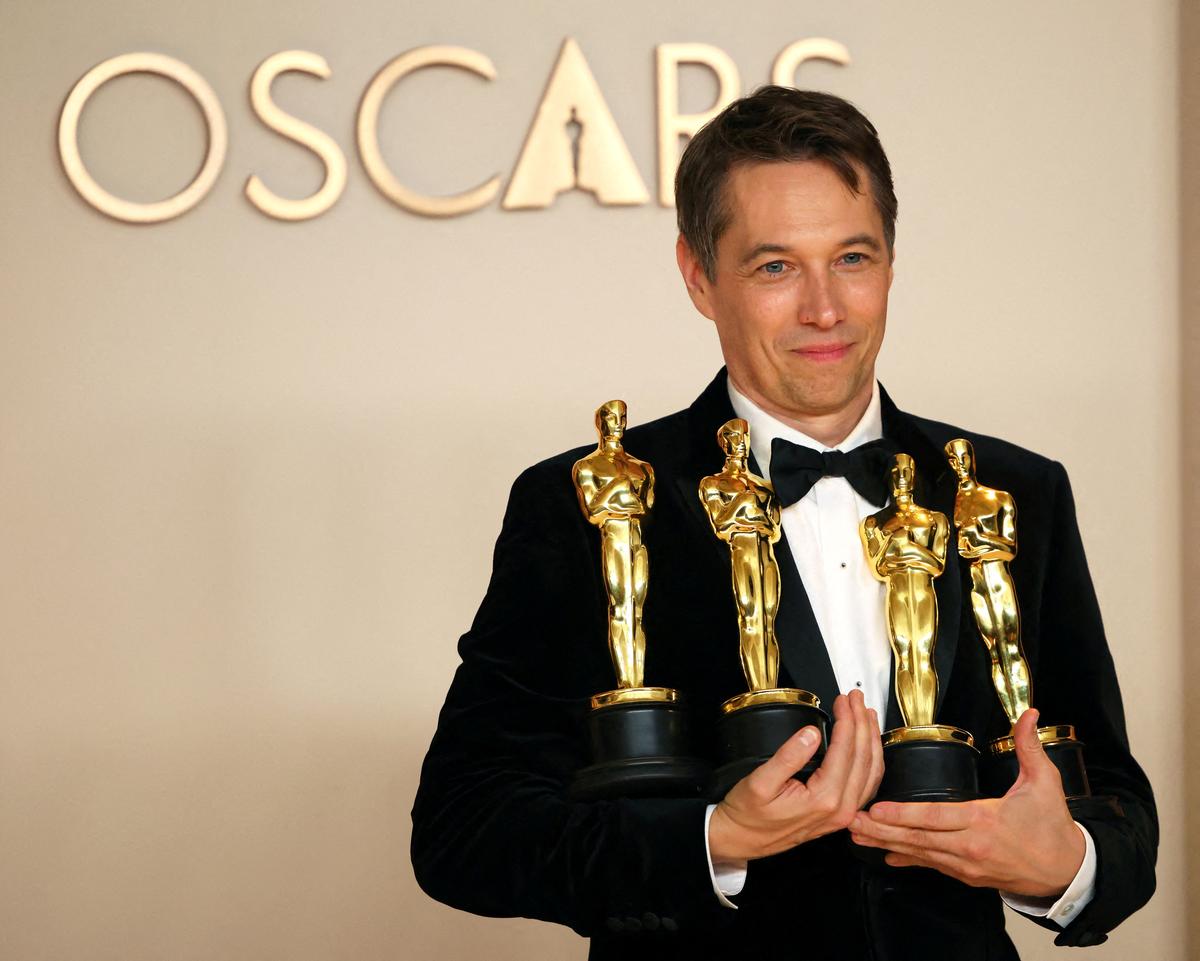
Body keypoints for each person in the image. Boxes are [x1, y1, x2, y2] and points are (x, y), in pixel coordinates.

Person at [411, 87, 1157, 959]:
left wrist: (1065, 864)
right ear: (698, 276)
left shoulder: (1015, 489)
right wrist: (712, 841)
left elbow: (1118, 808)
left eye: (852, 258)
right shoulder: (577, 500)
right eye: (775, 267)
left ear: (890, 261)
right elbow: (463, 830)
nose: (825, 309)